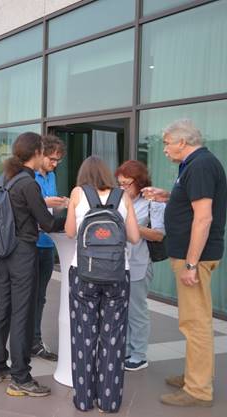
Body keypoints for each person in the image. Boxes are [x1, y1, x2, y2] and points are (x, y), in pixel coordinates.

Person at [142, 119, 226, 408]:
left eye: (167, 143)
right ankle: (195, 374)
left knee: (195, 323)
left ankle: (198, 390)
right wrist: (167, 197)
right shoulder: (194, 165)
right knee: (194, 321)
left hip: (196, 259)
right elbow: (192, 205)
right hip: (193, 256)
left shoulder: (201, 165)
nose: (164, 149)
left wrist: (191, 264)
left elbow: (204, 218)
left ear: (182, 142)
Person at [0, 132, 65, 397]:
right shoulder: (28, 184)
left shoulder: (10, 179)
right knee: (22, 313)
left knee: (4, 307)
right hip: (22, 252)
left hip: (5, 251)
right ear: (37, 153)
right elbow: (48, 223)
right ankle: (21, 377)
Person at [65, 156, 140, 413]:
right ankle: (109, 401)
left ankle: (84, 400)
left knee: (83, 336)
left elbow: (70, 232)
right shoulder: (123, 196)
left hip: (83, 274)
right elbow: (134, 237)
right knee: (114, 337)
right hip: (119, 275)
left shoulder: (77, 193)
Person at [114, 160, 165, 372]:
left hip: (139, 263)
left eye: (127, 184)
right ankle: (125, 349)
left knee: (136, 311)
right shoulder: (119, 200)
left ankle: (139, 354)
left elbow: (158, 235)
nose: (123, 188)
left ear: (140, 181)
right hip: (118, 263)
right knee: (120, 309)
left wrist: (132, 226)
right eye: (120, 184)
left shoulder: (153, 202)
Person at [32, 134, 68, 362]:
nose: (54, 164)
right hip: (28, 243)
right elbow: (24, 202)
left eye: (57, 161)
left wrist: (59, 205)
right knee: (25, 296)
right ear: (40, 154)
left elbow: (49, 208)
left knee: (40, 297)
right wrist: (47, 202)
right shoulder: (27, 176)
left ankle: (34, 341)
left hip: (47, 242)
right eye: (51, 159)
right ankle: (24, 341)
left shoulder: (51, 176)